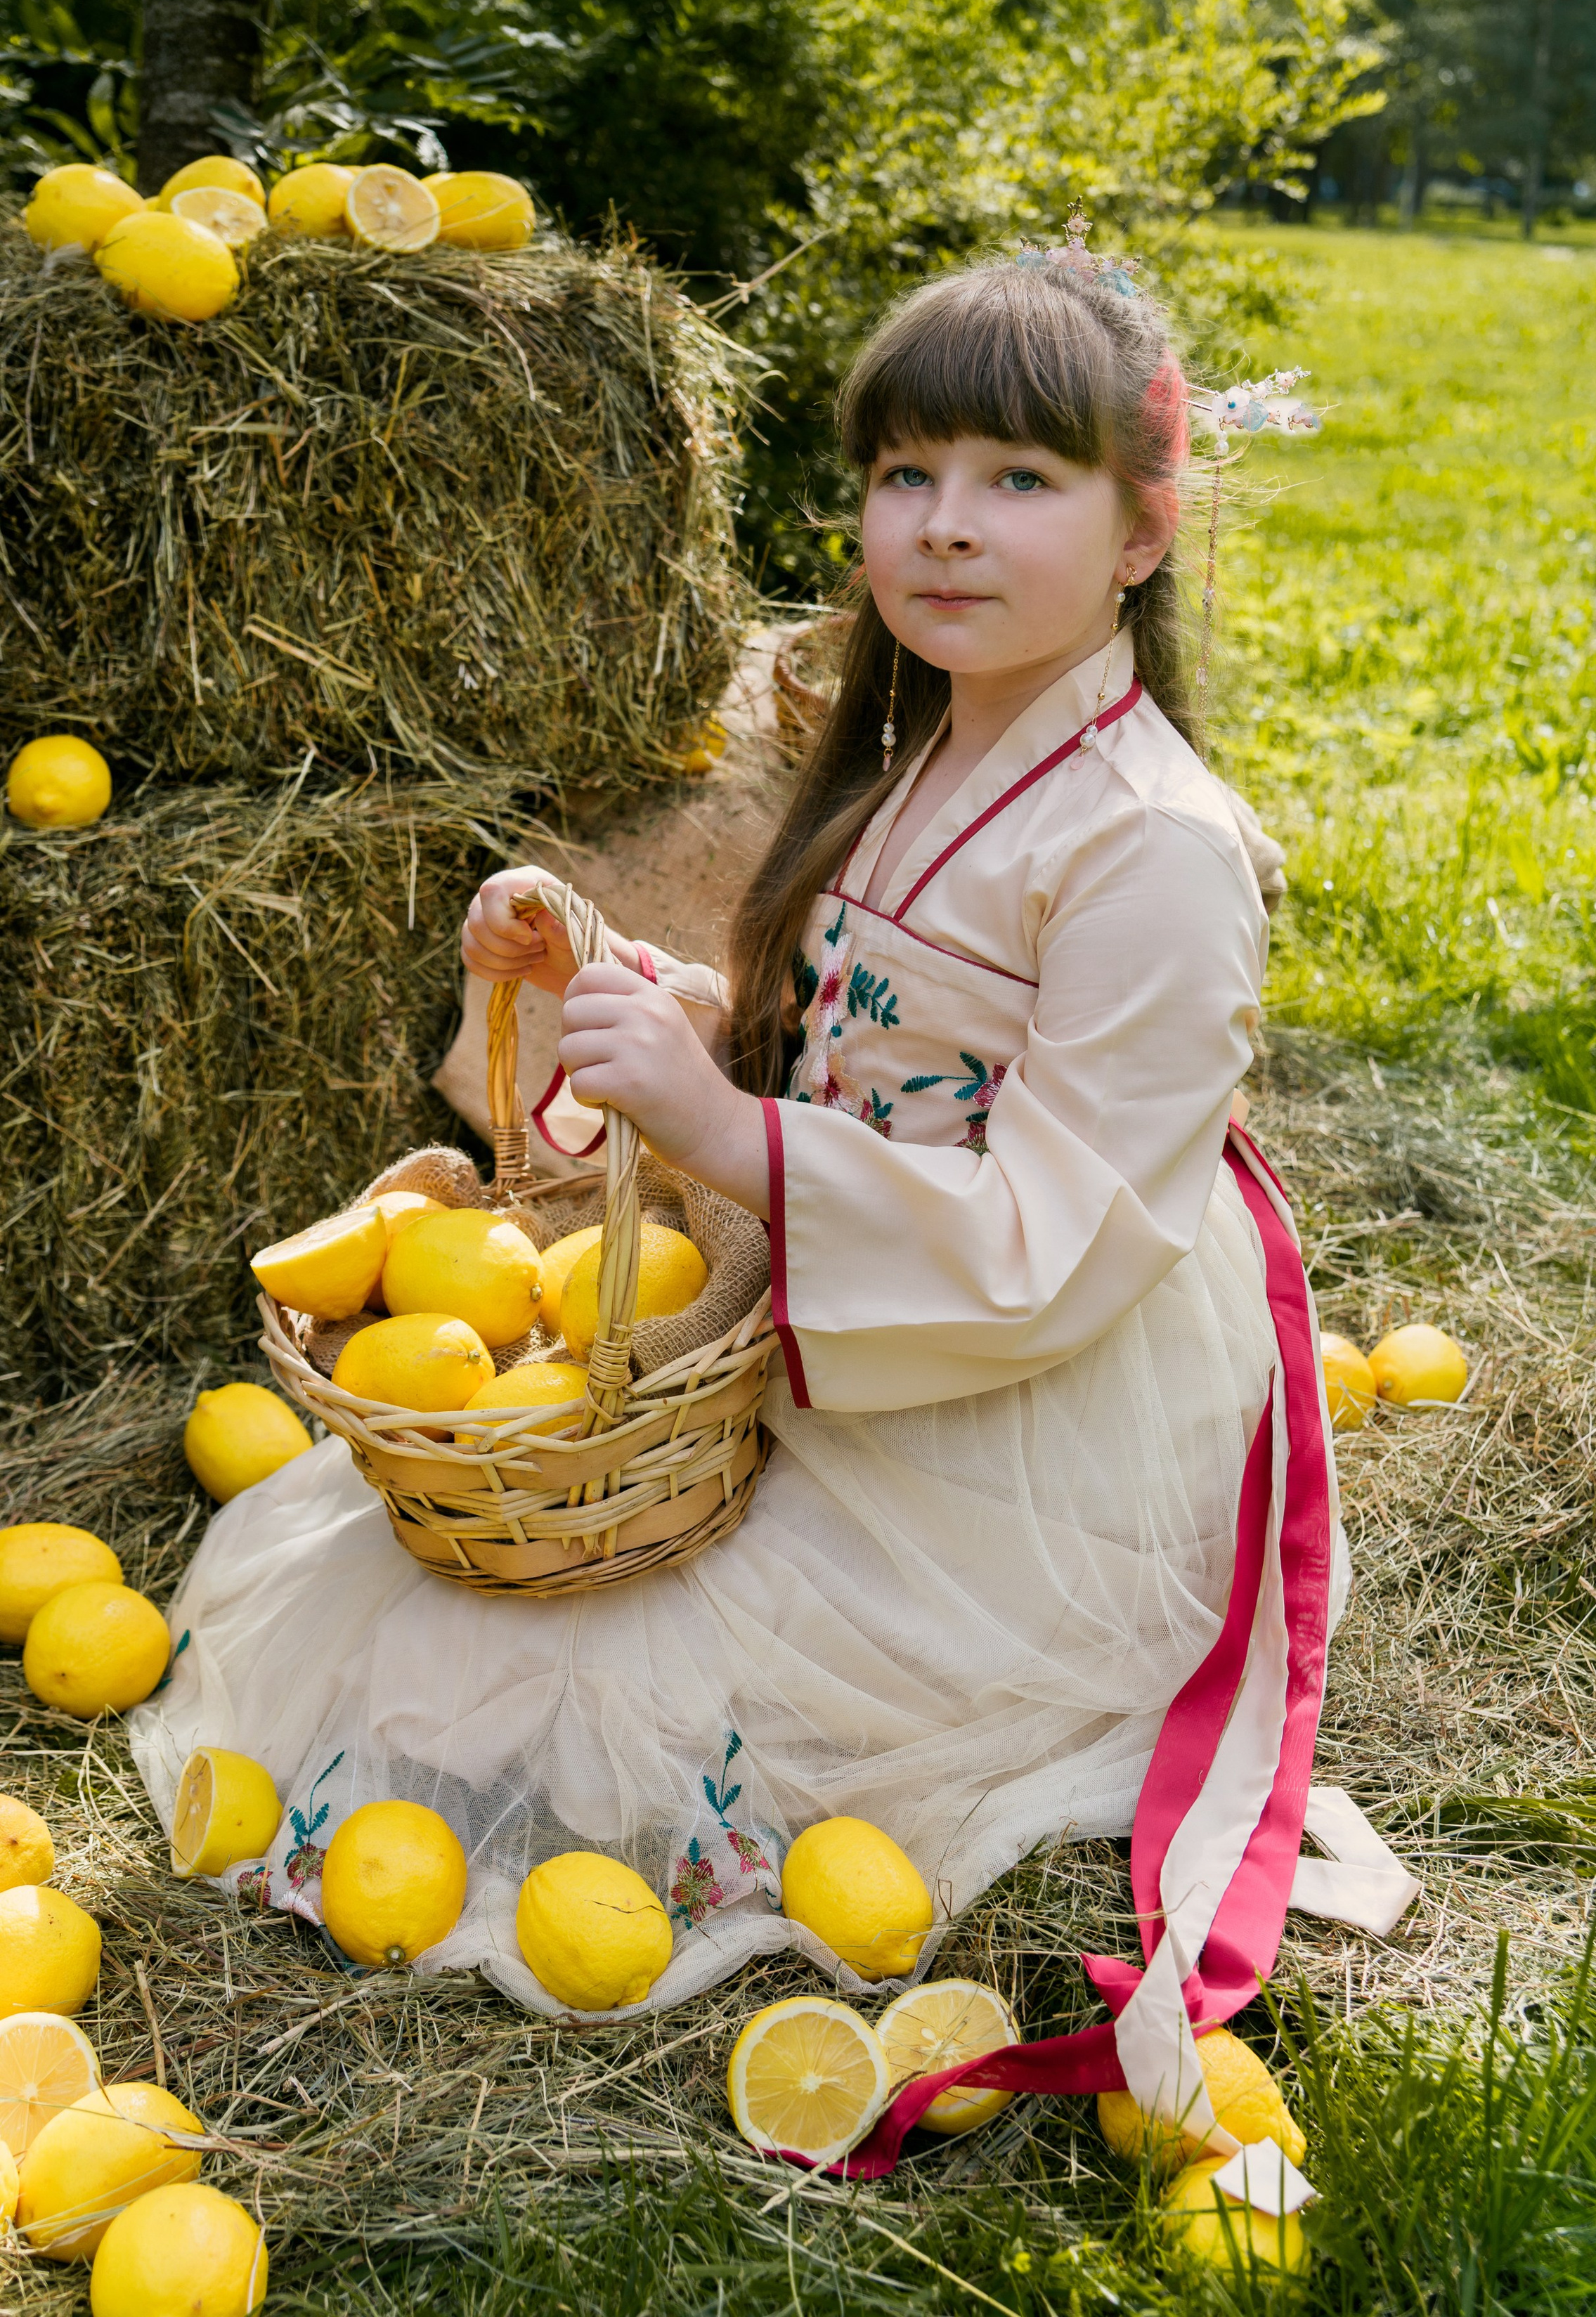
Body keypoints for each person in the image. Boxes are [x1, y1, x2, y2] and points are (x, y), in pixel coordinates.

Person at [132, 238, 1349, 2025]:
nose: (943, 523)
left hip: (1017, 1384)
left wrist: (724, 1131)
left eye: (1019, 480)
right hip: (864, 1299)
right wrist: (614, 986)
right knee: (405, 1583)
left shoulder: (1150, 849)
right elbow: (858, 1050)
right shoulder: (925, 747)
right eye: (903, 473)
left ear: (1140, 535)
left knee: (579, 1710)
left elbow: (1056, 1232)